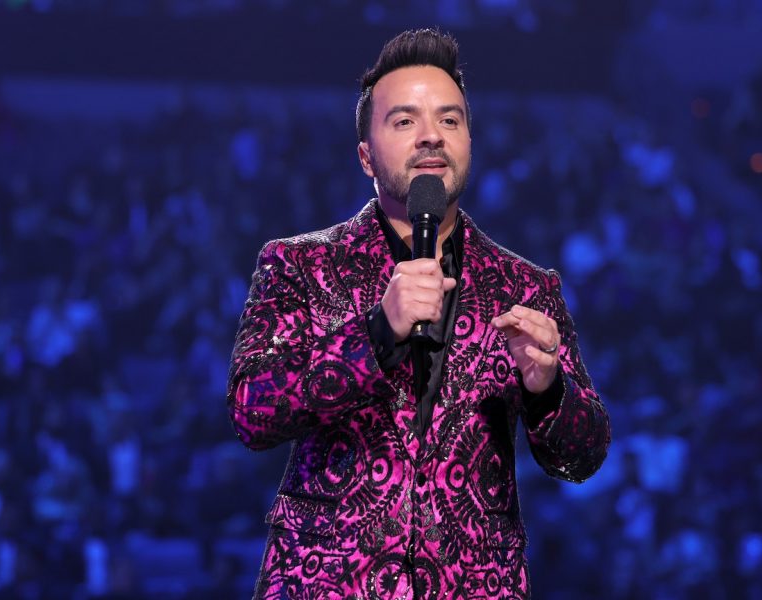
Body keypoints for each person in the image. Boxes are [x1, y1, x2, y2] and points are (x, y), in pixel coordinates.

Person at [227, 28, 611, 599]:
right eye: (404, 121)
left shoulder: (526, 289)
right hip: (326, 584)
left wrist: (548, 389)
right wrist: (377, 334)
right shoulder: (300, 265)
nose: (431, 136)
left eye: (450, 121)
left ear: (470, 143)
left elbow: (582, 458)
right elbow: (252, 411)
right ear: (365, 155)